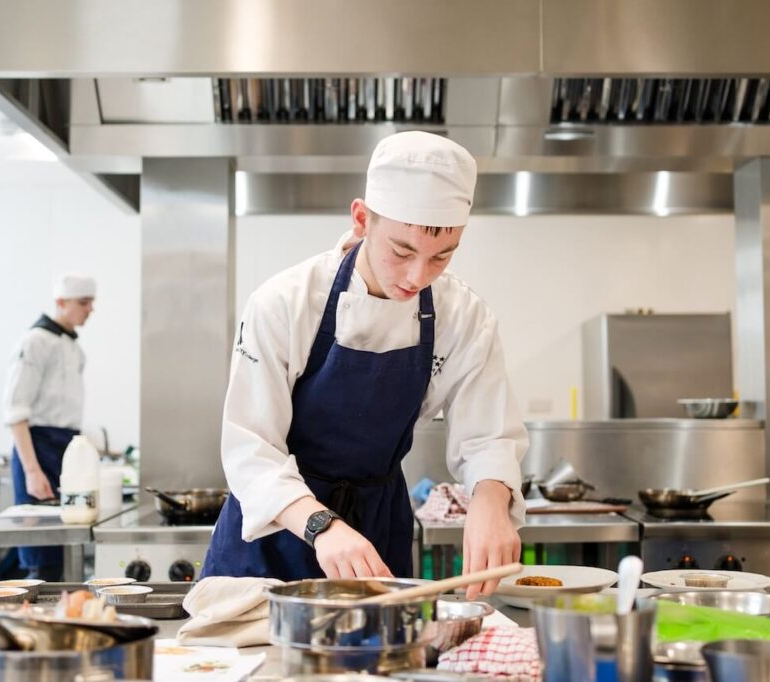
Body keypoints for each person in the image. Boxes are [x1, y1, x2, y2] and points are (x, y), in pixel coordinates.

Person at [202, 131, 528, 598]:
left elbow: (488, 436)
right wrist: (320, 525)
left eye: (442, 256)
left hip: (377, 530)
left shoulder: (464, 316)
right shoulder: (284, 303)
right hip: (273, 533)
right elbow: (250, 449)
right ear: (361, 219)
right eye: (402, 251)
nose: (418, 276)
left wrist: (491, 501)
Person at [3, 274, 95, 580]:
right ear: (60, 303)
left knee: (60, 545)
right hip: (38, 448)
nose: (90, 309)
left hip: (66, 449)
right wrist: (32, 469)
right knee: (39, 555)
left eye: (91, 302)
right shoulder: (34, 342)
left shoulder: (74, 349)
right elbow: (16, 412)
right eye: (83, 303)